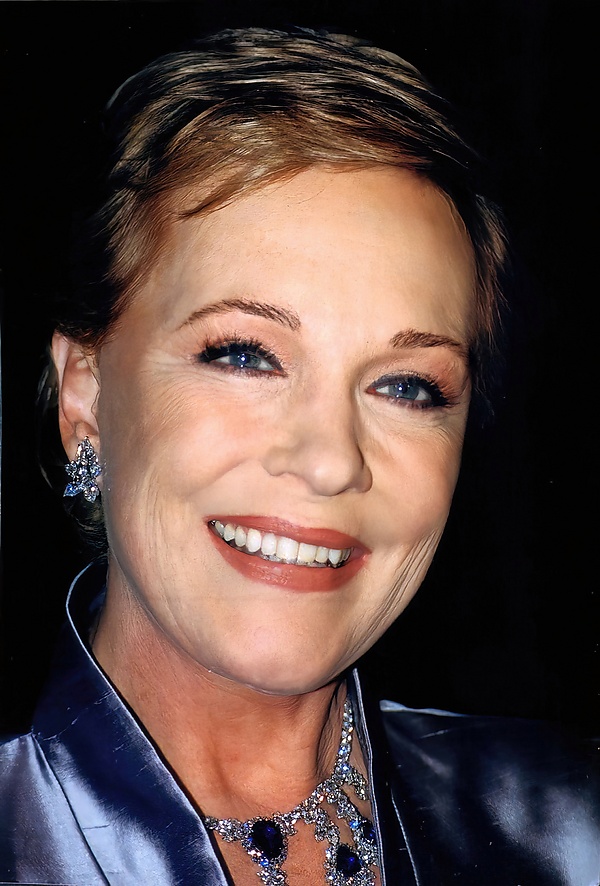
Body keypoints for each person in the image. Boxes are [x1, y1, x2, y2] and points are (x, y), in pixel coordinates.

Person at [1, 27, 598, 886]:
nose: (330, 462)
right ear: (85, 394)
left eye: (407, 386)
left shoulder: (572, 829)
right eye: (245, 354)